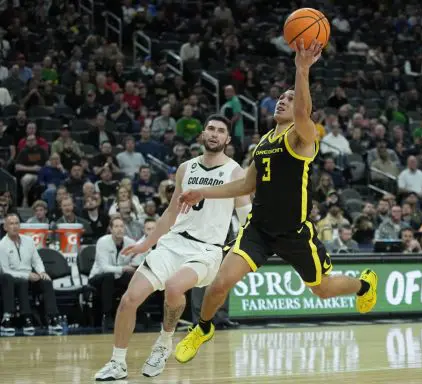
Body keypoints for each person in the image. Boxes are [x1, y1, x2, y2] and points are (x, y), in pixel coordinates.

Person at [175, 39, 378, 364]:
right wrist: (204, 191)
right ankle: (202, 328)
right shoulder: (265, 142)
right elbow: (245, 184)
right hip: (259, 229)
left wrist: (302, 69)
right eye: (280, 98)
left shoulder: (303, 136)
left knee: (322, 289)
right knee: (218, 284)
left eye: (290, 98)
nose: (283, 102)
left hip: (294, 232)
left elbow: (302, 111)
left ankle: (364, 286)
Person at [94, 114, 251, 381]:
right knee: (129, 300)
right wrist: (145, 243)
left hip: (207, 250)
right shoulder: (185, 168)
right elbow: (170, 213)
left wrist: (244, 253)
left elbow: (247, 216)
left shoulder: (236, 173)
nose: (214, 134)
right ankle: (117, 363)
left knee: (175, 287)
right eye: (210, 129)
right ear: (202, 134)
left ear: (227, 139)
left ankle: (164, 343)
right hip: (173, 243)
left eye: (220, 131)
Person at [0, 213, 63, 336]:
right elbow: (5, 270)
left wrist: (42, 272)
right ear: (5, 227)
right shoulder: (2, 245)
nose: (14, 226)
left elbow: (36, 260)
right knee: (10, 278)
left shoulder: (28, 241)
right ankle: (13, 318)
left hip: (29, 277)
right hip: (12, 279)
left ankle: (52, 318)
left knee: (46, 280)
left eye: (17, 223)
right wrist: (27, 275)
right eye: (11, 224)